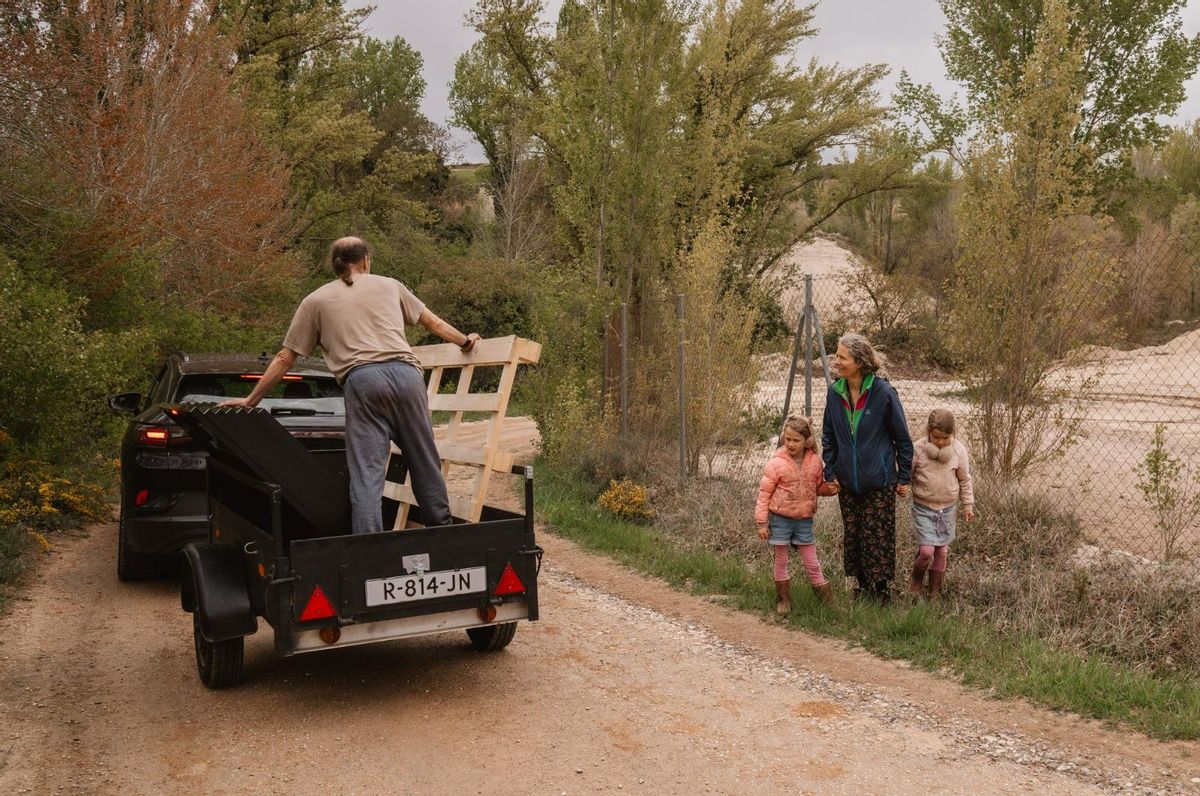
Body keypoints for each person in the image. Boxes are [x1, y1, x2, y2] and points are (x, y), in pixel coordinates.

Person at [223, 236, 481, 533]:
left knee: (368, 474)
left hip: (364, 381)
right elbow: (433, 324)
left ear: (334, 266)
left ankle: (369, 545)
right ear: (366, 260)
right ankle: (443, 532)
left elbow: (285, 358)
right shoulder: (389, 285)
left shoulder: (315, 300)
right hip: (408, 375)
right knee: (424, 460)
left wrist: (250, 400)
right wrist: (465, 340)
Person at [821, 333, 914, 604]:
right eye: (837, 356)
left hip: (879, 480)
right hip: (847, 482)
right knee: (855, 535)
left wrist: (903, 475)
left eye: (842, 357)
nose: (836, 361)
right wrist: (831, 471)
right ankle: (862, 588)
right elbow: (828, 435)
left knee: (878, 537)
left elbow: (903, 439)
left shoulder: (884, 394)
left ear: (859, 362)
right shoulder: (834, 392)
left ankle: (881, 591)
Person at [755, 415, 840, 613]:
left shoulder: (815, 462)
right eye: (788, 439)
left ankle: (827, 602)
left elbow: (816, 487)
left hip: (804, 521)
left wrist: (830, 489)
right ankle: (784, 600)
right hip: (780, 520)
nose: (791, 444)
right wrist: (761, 522)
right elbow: (764, 494)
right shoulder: (775, 463)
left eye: (796, 440)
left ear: (807, 441)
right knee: (781, 560)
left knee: (812, 561)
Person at [908, 408, 975, 600]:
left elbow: (964, 480)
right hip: (923, 508)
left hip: (946, 510)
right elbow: (908, 472)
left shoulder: (958, 451)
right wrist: (902, 484)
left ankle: (935, 590)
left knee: (942, 551)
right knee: (927, 551)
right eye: (936, 437)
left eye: (945, 438)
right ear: (929, 432)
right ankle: (916, 580)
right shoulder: (919, 449)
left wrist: (968, 505)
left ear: (952, 434)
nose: (940, 442)